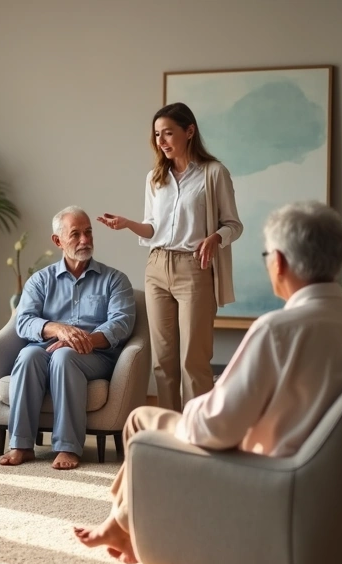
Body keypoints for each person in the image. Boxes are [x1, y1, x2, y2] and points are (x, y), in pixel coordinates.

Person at [75, 202, 342, 564]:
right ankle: (123, 524)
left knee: (142, 422)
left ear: (280, 263)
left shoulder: (277, 330)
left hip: (268, 480)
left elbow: (212, 429)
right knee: (156, 422)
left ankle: (139, 535)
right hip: (339, 488)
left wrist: (206, 398)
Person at [97, 103, 243, 412]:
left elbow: (233, 225)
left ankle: (197, 433)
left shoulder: (213, 173)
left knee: (194, 360)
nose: (162, 141)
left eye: (168, 133)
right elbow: (152, 228)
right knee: (163, 361)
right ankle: (168, 434)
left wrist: (216, 238)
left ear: (189, 132)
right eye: (157, 135)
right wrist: (127, 223)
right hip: (156, 267)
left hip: (194, 268)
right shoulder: (155, 177)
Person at [0, 207, 135, 471]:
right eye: (75, 234)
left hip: (96, 355)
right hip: (46, 347)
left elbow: (121, 324)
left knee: (64, 356)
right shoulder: (40, 280)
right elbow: (24, 321)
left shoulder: (114, 280)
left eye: (88, 232)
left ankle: (68, 447)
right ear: (58, 241)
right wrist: (58, 329)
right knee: (28, 355)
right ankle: (21, 445)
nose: (85, 240)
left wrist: (80, 340)